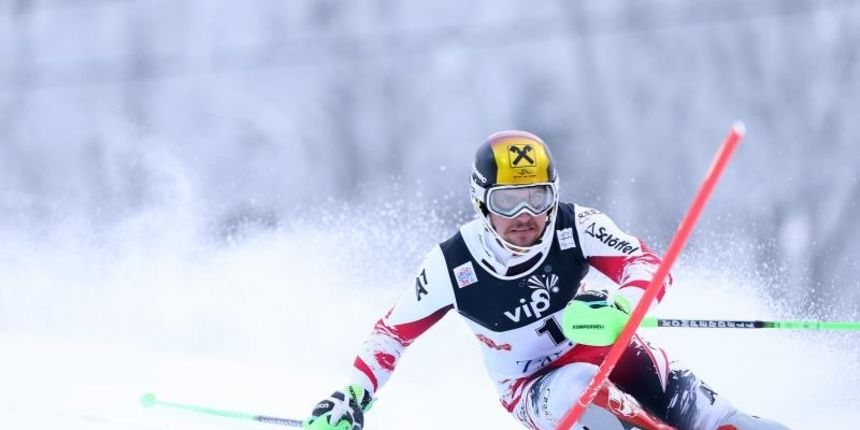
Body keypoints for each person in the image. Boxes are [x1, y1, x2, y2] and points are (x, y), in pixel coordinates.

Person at [302, 131, 789, 430]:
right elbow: (392, 333)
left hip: (609, 350)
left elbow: (644, 262)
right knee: (582, 390)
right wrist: (352, 399)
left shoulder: (575, 225)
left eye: (537, 198)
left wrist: (622, 306)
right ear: (481, 202)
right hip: (535, 388)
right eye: (507, 202)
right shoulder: (453, 264)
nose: (525, 217)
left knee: (716, 418)